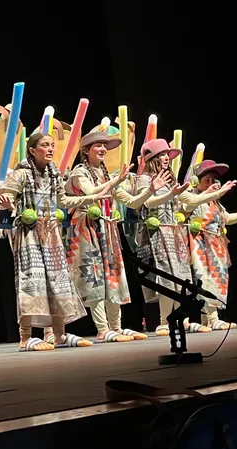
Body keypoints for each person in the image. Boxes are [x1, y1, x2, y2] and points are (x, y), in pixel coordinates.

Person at [0, 132, 110, 352]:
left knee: (57, 281)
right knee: (31, 281)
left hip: (52, 233)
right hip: (29, 233)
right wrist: (7, 203)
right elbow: (4, 197)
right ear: (32, 150)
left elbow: (63, 200)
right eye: (45, 145)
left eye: (52, 145)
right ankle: (25, 337)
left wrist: (93, 198)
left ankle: (59, 335)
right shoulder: (22, 173)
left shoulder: (53, 172)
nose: (50, 149)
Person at [64, 129, 172, 342]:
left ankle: (116, 326)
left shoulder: (107, 176)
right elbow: (92, 192)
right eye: (98, 145)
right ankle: (102, 329)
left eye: (105, 146)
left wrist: (150, 190)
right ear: (86, 151)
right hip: (87, 228)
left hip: (108, 229)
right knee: (94, 278)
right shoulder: (79, 172)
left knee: (112, 277)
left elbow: (132, 202)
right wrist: (115, 181)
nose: (103, 149)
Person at [135, 139, 235, 336]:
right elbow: (146, 202)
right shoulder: (144, 179)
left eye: (168, 155)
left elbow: (190, 199)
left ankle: (183, 320)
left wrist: (215, 194)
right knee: (165, 278)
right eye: (163, 155)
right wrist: (169, 194)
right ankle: (164, 321)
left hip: (174, 233)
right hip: (155, 234)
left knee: (181, 278)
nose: (167, 158)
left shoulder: (170, 180)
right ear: (153, 158)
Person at [182, 160, 237, 330]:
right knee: (205, 279)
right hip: (200, 245)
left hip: (216, 245)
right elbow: (186, 207)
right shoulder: (192, 196)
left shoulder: (215, 202)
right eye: (207, 180)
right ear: (197, 181)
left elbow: (227, 218)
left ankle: (208, 319)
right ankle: (212, 318)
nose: (211, 183)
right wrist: (209, 193)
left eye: (214, 180)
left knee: (217, 280)